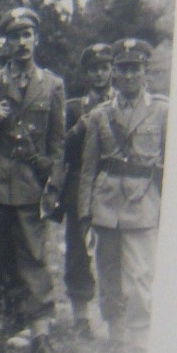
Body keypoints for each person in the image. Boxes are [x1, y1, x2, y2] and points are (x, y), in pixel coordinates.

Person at [0, 6, 66, 353]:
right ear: (5, 42)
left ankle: (41, 330)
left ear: (36, 39)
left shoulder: (52, 85)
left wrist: (52, 185)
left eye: (27, 35)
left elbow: (57, 143)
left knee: (33, 257)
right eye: (14, 36)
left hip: (29, 184)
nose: (21, 42)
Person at [77, 38, 167, 353]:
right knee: (109, 276)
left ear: (146, 72)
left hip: (143, 204)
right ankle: (116, 339)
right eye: (123, 70)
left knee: (141, 278)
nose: (129, 77)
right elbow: (89, 166)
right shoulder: (100, 114)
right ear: (114, 73)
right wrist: (85, 211)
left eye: (135, 70)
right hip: (107, 205)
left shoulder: (162, 110)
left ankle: (141, 343)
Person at [61, 43, 115, 336]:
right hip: (78, 184)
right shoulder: (74, 107)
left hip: (110, 185)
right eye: (94, 68)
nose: (99, 74)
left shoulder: (119, 103)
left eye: (105, 68)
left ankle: (114, 316)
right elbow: (60, 148)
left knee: (111, 249)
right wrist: (79, 127)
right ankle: (81, 315)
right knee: (78, 251)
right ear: (86, 72)